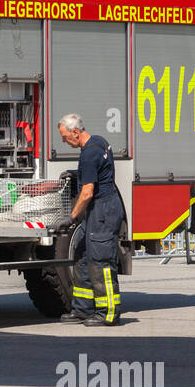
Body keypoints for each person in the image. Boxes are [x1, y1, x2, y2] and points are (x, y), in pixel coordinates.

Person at [57, 114, 124, 327]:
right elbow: (99, 171)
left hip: (103, 211)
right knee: (82, 256)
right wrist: (78, 173)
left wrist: (71, 217)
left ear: (76, 132)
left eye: (65, 137)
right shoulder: (99, 141)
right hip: (101, 209)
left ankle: (108, 312)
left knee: (101, 262)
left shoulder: (89, 153)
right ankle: (83, 309)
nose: (64, 141)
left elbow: (87, 193)